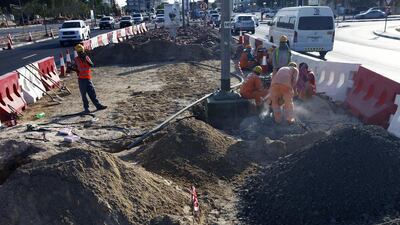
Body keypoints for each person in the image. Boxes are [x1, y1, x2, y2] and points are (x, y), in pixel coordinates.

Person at [74, 44, 107, 114]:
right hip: (81, 79)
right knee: (84, 95)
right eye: (79, 52)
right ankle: (86, 108)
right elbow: (76, 68)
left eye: (81, 52)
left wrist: (85, 59)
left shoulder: (86, 58)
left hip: (87, 79)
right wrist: (72, 68)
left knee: (92, 93)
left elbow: (91, 65)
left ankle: (98, 105)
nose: (80, 54)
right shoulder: (76, 59)